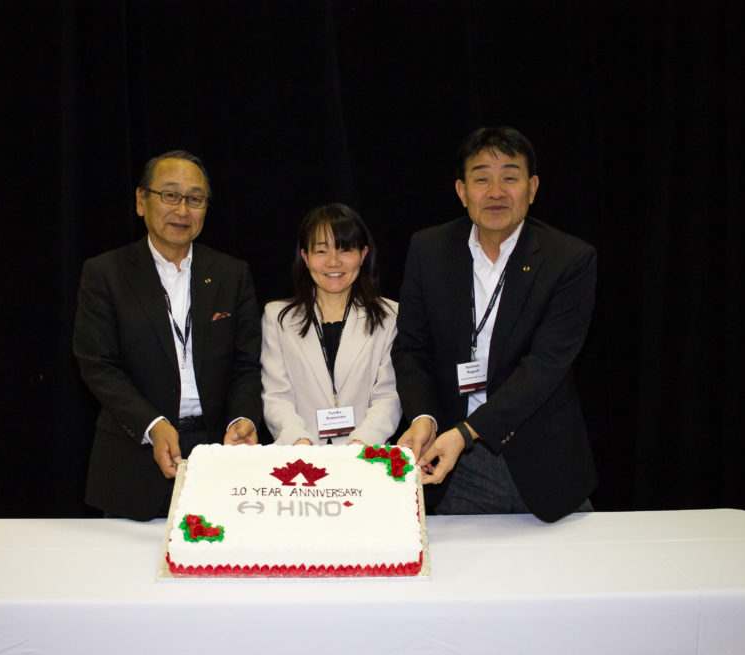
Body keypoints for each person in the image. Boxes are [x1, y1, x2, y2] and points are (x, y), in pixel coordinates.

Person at [392, 126, 597, 522]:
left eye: (510, 177)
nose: (496, 191)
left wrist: (467, 432)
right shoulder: (429, 249)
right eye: (482, 178)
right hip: (451, 466)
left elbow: (546, 366)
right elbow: (411, 348)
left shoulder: (568, 259)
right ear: (462, 191)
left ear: (532, 188)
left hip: (540, 462)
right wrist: (423, 417)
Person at [73, 150, 262, 520]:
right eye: (170, 195)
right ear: (141, 201)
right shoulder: (105, 273)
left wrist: (242, 419)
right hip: (136, 457)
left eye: (195, 199)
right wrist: (153, 425)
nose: (182, 210)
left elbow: (245, 363)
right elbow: (99, 365)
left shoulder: (231, 274)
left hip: (217, 454)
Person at [261, 203, 400, 446]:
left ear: (363, 254)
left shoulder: (390, 316)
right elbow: (276, 397)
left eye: (345, 250)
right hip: (301, 456)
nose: (333, 262)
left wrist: (360, 446)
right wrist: (299, 443)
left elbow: (388, 396)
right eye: (321, 251)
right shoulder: (277, 318)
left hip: (365, 454)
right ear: (305, 257)